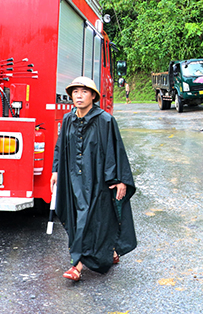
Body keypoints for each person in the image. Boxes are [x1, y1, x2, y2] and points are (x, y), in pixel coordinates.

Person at [51, 76, 137, 281]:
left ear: (93, 96)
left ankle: (77, 266)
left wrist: (119, 179)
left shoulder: (105, 120)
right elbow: (60, 147)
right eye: (75, 92)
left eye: (84, 92)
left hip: (99, 181)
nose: (79, 96)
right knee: (79, 218)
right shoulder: (67, 119)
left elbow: (116, 150)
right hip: (73, 179)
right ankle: (110, 252)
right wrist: (56, 171)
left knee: (89, 219)